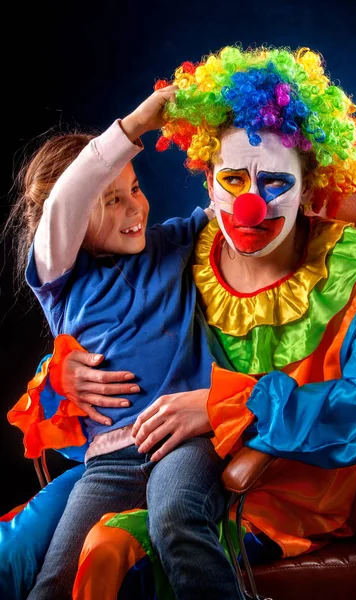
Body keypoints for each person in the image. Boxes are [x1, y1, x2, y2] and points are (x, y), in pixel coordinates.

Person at [4, 45, 356, 599]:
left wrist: (233, 403)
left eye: (275, 183)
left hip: (275, 485)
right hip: (139, 453)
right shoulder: (192, 248)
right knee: (15, 550)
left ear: (312, 187)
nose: (250, 206)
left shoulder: (350, 275)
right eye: (232, 180)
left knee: (108, 552)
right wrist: (61, 374)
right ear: (207, 181)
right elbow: (123, 332)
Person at [3, 85, 245, 600]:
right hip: (111, 459)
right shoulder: (60, 279)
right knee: (56, 580)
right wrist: (134, 125)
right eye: (111, 200)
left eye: (134, 188)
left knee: (176, 519)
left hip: (185, 438)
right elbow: (67, 199)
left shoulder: (173, 243)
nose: (135, 207)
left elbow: (231, 199)